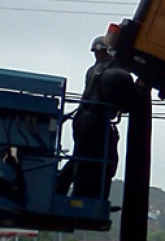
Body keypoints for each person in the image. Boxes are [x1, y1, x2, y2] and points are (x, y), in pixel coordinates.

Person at [56, 36, 134, 199]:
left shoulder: (94, 71)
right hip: (96, 122)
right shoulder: (116, 74)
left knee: (81, 158)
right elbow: (129, 103)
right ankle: (87, 196)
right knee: (103, 161)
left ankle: (60, 190)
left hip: (82, 120)